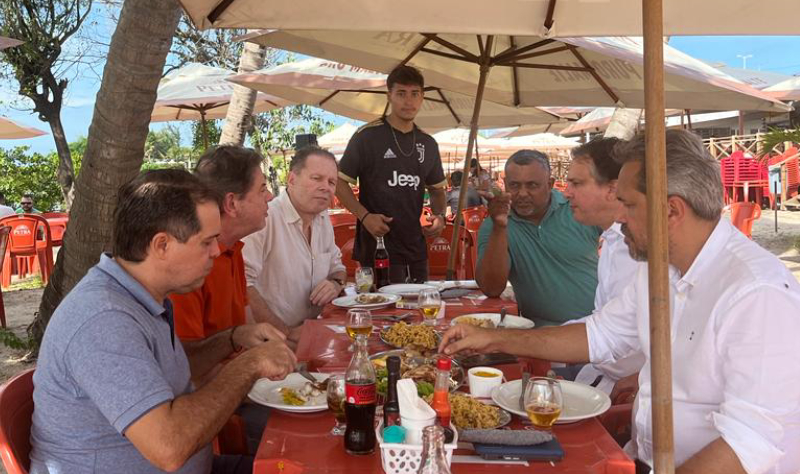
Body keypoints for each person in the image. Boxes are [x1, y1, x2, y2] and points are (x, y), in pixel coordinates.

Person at [441, 129, 800, 474]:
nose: (619, 217)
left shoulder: (756, 292)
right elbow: (599, 335)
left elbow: (750, 445)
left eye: (627, 204)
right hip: (640, 457)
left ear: (671, 211)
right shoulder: (659, 267)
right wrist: (491, 337)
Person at [30, 169, 297, 474]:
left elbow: (167, 373)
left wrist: (233, 338)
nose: (216, 251)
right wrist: (249, 365)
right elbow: (169, 447)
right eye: (206, 242)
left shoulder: (142, 295)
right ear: (161, 245)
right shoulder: (103, 320)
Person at [336, 65, 447, 283]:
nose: (409, 101)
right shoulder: (367, 137)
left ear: (422, 97)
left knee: (420, 312)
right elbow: (339, 183)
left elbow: (437, 190)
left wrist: (440, 216)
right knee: (383, 314)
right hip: (377, 247)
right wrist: (365, 216)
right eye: (401, 94)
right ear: (389, 96)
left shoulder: (428, 143)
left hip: (416, 248)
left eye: (415, 94)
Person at [170, 145, 279, 352]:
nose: (270, 197)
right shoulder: (189, 264)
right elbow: (187, 367)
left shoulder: (233, 250)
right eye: (262, 189)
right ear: (232, 203)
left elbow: (249, 334)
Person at [476, 149, 602, 326]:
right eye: (514, 185)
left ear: (550, 184)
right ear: (505, 184)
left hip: (603, 324)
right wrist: (499, 227)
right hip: (544, 334)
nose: (522, 193)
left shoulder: (576, 208)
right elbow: (491, 288)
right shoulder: (495, 224)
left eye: (532, 185)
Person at [562, 138, 644, 395]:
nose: (567, 192)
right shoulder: (611, 239)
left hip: (620, 392)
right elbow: (604, 323)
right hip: (597, 375)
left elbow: (613, 337)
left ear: (612, 189)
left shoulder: (638, 249)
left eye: (577, 183)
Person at [243, 146, 347, 336]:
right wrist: (286, 334)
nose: (326, 187)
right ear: (291, 180)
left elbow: (337, 267)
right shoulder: (265, 219)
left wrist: (335, 283)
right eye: (317, 178)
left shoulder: (322, 218)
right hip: (273, 342)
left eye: (332, 182)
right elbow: (243, 287)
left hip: (316, 331)